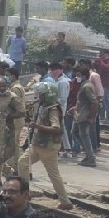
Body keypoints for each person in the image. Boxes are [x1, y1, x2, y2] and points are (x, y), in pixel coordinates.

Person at [24, 82, 73, 210]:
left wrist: (38, 126)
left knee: (53, 173)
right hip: (36, 143)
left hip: (48, 146)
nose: (38, 96)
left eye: (41, 94)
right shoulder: (41, 106)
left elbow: (56, 128)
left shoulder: (53, 109)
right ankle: (24, 194)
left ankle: (65, 200)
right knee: (22, 162)